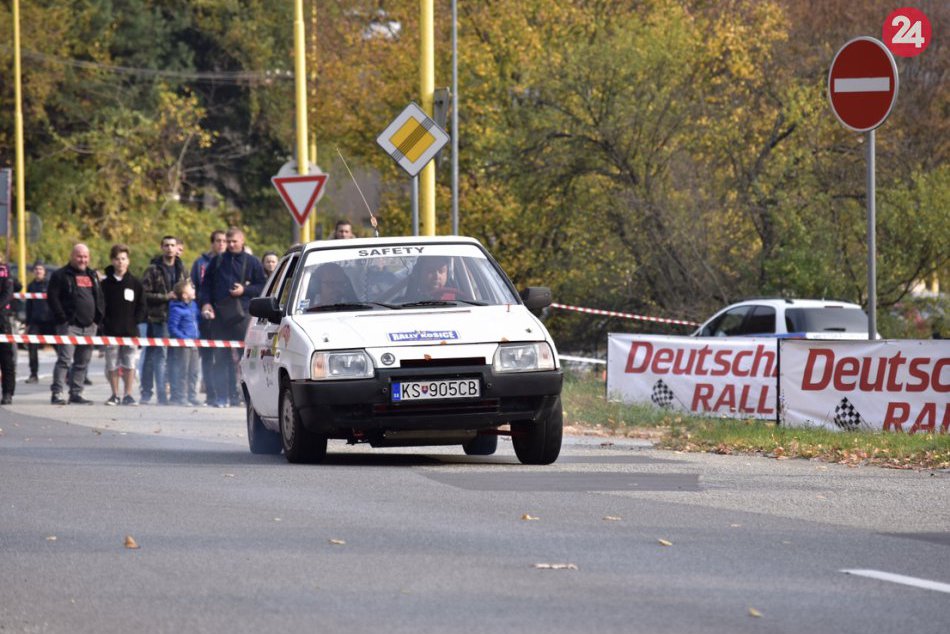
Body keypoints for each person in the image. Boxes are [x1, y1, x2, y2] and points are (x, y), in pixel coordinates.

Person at [198, 227, 266, 407]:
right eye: (228, 241)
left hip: (243, 316)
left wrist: (245, 290)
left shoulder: (252, 262)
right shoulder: (217, 261)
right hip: (220, 317)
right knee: (220, 358)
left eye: (234, 241)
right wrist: (206, 303)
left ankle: (246, 397)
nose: (230, 244)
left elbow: (263, 286)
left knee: (246, 359)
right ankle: (223, 397)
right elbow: (205, 287)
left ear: (242, 241)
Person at [46, 243, 104, 405]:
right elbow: (53, 298)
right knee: (64, 360)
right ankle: (57, 393)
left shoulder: (92, 275)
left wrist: (97, 319)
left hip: (90, 326)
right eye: (79, 256)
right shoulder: (60, 275)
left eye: (85, 256)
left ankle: (76, 393)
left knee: (82, 362)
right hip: (70, 326)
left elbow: (99, 297)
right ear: (72, 256)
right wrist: (63, 318)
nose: (82, 259)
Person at [140, 235, 186, 405]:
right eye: (166, 245)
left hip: (178, 318)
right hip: (159, 318)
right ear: (161, 247)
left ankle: (176, 394)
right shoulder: (153, 269)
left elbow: (188, 287)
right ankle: (160, 395)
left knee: (175, 357)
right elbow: (144, 294)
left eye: (172, 245)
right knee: (159, 356)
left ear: (176, 247)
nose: (169, 248)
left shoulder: (181, 268)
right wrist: (165, 297)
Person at [100, 244, 146, 406]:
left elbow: (142, 304)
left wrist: (136, 320)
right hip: (111, 329)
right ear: (112, 261)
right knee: (111, 364)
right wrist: (103, 324)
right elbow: (101, 306)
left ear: (128, 261)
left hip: (130, 330)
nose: (121, 262)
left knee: (129, 363)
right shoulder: (105, 284)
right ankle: (114, 395)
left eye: (124, 259)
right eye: (117, 259)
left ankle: (128, 394)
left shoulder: (135, 283)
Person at [191, 230, 227, 407]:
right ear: (212, 243)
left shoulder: (230, 262)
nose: (221, 244)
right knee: (207, 357)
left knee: (223, 357)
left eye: (224, 241)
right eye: (218, 241)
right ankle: (210, 394)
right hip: (205, 317)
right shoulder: (200, 263)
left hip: (225, 319)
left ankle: (225, 395)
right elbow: (196, 288)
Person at [167, 279, 200, 406]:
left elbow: (196, 321)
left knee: (194, 371)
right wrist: (183, 338)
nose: (193, 290)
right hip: (183, 345)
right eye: (190, 288)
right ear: (185, 295)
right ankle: (181, 396)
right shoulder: (176, 309)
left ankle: (192, 396)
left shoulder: (193, 306)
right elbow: (172, 328)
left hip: (195, 343)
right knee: (183, 371)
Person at [25, 261, 54, 383]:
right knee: (32, 347)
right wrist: (27, 324)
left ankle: (68, 373)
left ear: (44, 271)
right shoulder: (31, 286)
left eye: (40, 269)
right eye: (36, 269)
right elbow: (29, 305)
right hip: (36, 322)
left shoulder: (50, 284)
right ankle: (33, 374)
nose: (38, 271)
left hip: (50, 321)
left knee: (61, 348)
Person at [0, 254, 16, 404]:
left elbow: (7, 293)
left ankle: (7, 392)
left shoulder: (4, 270)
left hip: (1, 321)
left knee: (6, 360)